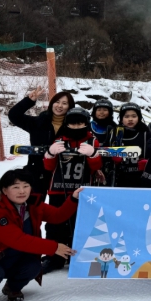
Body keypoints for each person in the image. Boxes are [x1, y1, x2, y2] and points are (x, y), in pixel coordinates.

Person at [0, 169, 82, 301]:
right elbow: (18, 239)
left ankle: (12, 287)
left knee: (33, 267)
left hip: (16, 257)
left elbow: (58, 216)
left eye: (26, 186)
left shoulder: (32, 205)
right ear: (4, 191)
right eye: (16, 187)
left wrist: (74, 199)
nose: (22, 191)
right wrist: (54, 247)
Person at [41, 107, 103, 273]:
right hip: (58, 189)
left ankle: (78, 256)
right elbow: (48, 167)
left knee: (79, 223)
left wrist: (93, 154)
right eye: (73, 124)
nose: (76, 127)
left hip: (82, 190)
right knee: (55, 225)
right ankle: (54, 257)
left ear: (86, 124)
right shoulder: (60, 140)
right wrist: (50, 154)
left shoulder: (92, 141)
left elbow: (96, 167)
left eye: (80, 123)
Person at [7, 87, 76, 194]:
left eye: (64, 103)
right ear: (52, 103)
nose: (60, 106)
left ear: (70, 106)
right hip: (37, 171)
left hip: (63, 172)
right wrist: (29, 101)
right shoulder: (38, 122)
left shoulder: (75, 126)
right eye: (57, 102)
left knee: (58, 203)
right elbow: (14, 115)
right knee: (35, 203)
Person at [107, 103, 151, 188]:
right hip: (119, 178)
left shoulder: (145, 133)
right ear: (121, 118)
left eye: (134, 116)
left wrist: (148, 163)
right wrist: (112, 155)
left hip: (140, 178)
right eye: (126, 116)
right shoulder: (115, 133)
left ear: (139, 117)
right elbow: (103, 152)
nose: (130, 119)